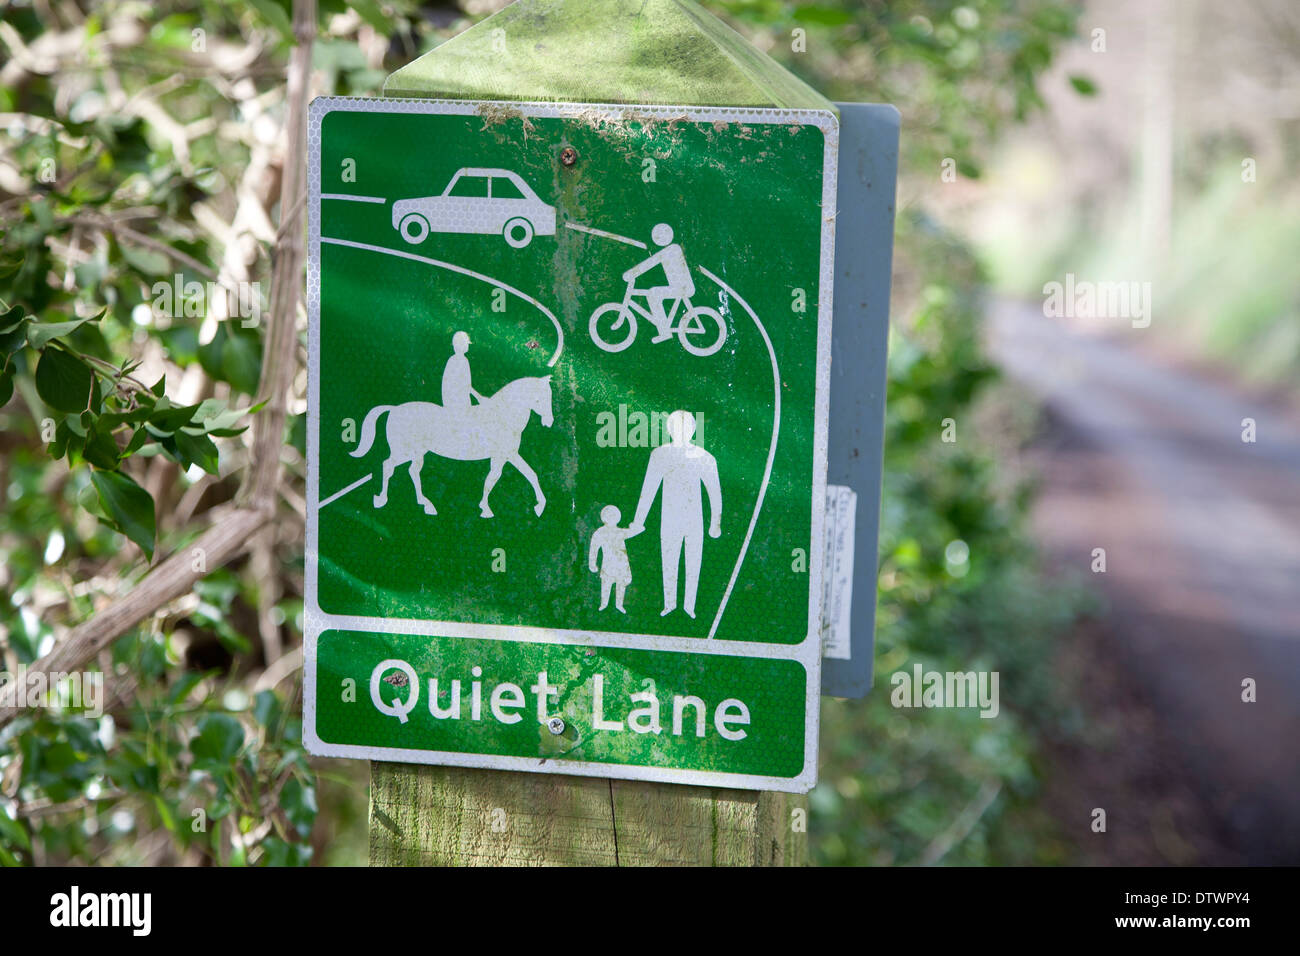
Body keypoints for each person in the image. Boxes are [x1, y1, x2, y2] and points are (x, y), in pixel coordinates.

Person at [627, 410, 721, 618]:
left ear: (693, 430)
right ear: (669, 430)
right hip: (669, 518)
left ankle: (689, 606)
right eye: (677, 428)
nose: (681, 432)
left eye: (686, 428)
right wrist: (638, 521)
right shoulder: (660, 455)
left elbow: (714, 491)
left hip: (694, 520)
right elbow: (649, 489)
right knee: (669, 560)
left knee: (693, 562)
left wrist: (715, 522)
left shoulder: (704, 457)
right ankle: (669, 604)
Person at [620, 223, 695, 343]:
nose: (659, 238)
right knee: (653, 292)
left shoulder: (672, 248)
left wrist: (631, 273)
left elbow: (649, 263)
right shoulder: (669, 249)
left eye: (661, 235)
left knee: (653, 293)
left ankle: (664, 332)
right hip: (677, 287)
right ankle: (664, 329)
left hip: (683, 288)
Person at [589, 504, 633, 613]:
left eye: (614, 515)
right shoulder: (600, 533)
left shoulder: (620, 531)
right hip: (608, 564)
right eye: (609, 515)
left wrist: (638, 528)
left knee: (621, 585)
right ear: (604, 517)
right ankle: (603, 604)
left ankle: (619, 605)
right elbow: (593, 549)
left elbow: (631, 532)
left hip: (621, 564)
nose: (611, 518)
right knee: (606, 584)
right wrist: (592, 563)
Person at [442, 330, 485, 409]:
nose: (468, 345)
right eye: (466, 343)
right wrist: (480, 398)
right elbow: (466, 386)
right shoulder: (463, 360)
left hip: (449, 403)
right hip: (459, 403)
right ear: (462, 345)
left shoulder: (452, 359)